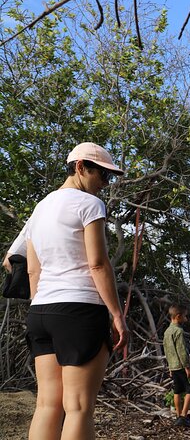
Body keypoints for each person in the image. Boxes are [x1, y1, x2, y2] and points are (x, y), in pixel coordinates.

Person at [24, 142, 130, 440]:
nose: (105, 184)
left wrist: (42, 305)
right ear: (81, 167)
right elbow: (97, 264)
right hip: (80, 310)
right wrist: (117, 315)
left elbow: (34, 270)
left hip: (41, 310)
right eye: (103, 175)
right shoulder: (89, 205)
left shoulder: (40, 208)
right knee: (79, 407)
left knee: (47, 405)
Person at [163, 304, 190, 428]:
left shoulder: (167, 332)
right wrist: (187, 367)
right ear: (178, 316)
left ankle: (178, 415)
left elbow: (167, 351)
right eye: (185, 316)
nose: (186, 319)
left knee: (177, 391)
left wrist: (170, 367)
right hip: (182, 366)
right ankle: (183, 416)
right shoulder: (179, 331)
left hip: (173, 367)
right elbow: (182, 351)